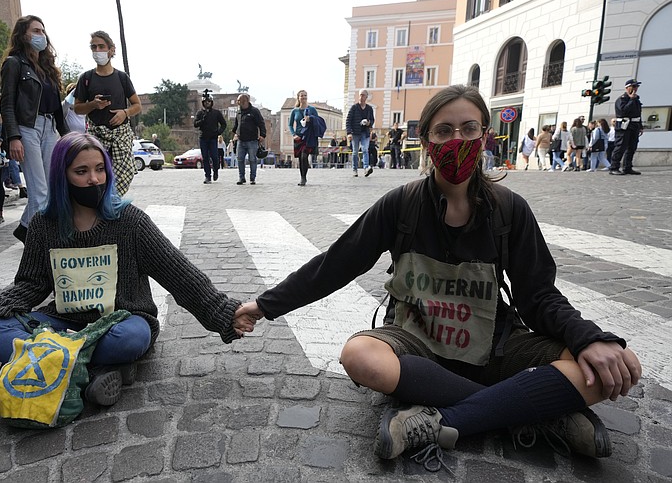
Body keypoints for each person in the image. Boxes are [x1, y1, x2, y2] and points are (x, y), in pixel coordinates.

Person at [233, 85, 641, 470]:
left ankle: (445, 418)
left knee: (613, 367)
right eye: (444, 131)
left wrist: (589, 338)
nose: (457, 140)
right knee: (360, 356)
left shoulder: (509, 210)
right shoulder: (402, 205)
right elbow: (336, 265)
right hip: (415, 340)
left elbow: (538, 296)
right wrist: (264, 305)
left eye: (469, 129)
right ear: (427, 140)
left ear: (485, 137)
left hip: (494, 345)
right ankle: (535, 412)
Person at [0, 132, 244, 406]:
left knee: (132, 339)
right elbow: (31, 284)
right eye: (82, 171)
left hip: (121, 323)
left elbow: (179, 273)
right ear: (62, 177)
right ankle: (93, 370)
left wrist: (224, 313)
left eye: (100, 169)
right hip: (66, 323)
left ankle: (50, 365)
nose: (94, 179)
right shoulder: (43, 225)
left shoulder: (130, 221)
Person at [0, 15, 69, 243]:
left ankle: (25, 228)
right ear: (23, 34)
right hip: (28, 127)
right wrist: (14, 136)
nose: (41, 35)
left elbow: (57, 108)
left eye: (43, 31)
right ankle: (44, 240)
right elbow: (7, 102)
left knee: (52, 187)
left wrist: (69, 137)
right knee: (39, 190)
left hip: (49, 127)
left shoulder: (47, 68)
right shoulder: (14, 63)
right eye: (36, 31)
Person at [74, 30, 142, 196]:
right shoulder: (86, 78)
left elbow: (137, 105)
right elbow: (77, 108)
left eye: (101, 46)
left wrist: (125, 113)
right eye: (94, 47)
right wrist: (93, 105)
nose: (97, 51)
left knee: (122, 175)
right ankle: (100, 204)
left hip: (120, 135)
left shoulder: (122, 78)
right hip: (96, 134)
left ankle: (114, 204)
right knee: (97, 175)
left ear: (111, 50)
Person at [610, 79, 643, 176]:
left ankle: (627, 167)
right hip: (624, 126)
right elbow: (623, 112)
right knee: (620, 147)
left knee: (632, 147)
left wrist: (640, 126)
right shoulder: (622, 99)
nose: (635, 89)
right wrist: (631, 99)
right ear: (627, 88)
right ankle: (614, 167)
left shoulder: (636, 100)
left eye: (636, 87)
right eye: (633, 86)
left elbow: (638, 114)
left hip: (634, 126)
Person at [232, 93, 266, 185]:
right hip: (240, 139)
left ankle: (252, 178)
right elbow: (236, 124)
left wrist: (262, 135)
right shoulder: (238, 112)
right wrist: (234, 133)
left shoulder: (254, 111)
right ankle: (241, 177)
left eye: (239, 101)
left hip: (252, 140)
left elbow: (261, 123)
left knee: (252, 159)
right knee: (240, 159)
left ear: (244, 101)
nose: (237, 102)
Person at [193, 91, 227, 184]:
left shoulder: (216, 113)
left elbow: (223, 124)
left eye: (209, 102)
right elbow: (195, 124)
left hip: (213, 138)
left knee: (215, 157)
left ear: (211, 102)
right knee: (205, 157)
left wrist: (219, 132)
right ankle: (207, 176)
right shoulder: (200, 113)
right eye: (205, 102)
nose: (207, 103)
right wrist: (202, 120)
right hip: (203, 138)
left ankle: (215, 170)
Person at [288, 90, 319, 186]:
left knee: (304, 156)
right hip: (298, 136)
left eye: (305, 95)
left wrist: (311, 119)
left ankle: (303, 178)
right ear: (298, 97)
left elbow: (318, 122)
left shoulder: (312, 109)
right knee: (301, 159)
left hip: (309, 136)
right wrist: (293, 134)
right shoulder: (294, 111)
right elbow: (290, 124)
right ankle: (302, 176)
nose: (304, 97)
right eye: (302, 96)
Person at [346, 89, 374, 177]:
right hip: (355, 132)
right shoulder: (354, 107)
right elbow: (348, 120)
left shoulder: (369, 108)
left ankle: (366, 168)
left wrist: (369, 123)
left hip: (365, 132)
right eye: (360, 95)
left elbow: (372, 120)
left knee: (365, 149)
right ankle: (355, 169)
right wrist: (349, 133)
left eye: (363, 95)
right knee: (355, 151)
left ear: (366, 97)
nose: (361, 97)